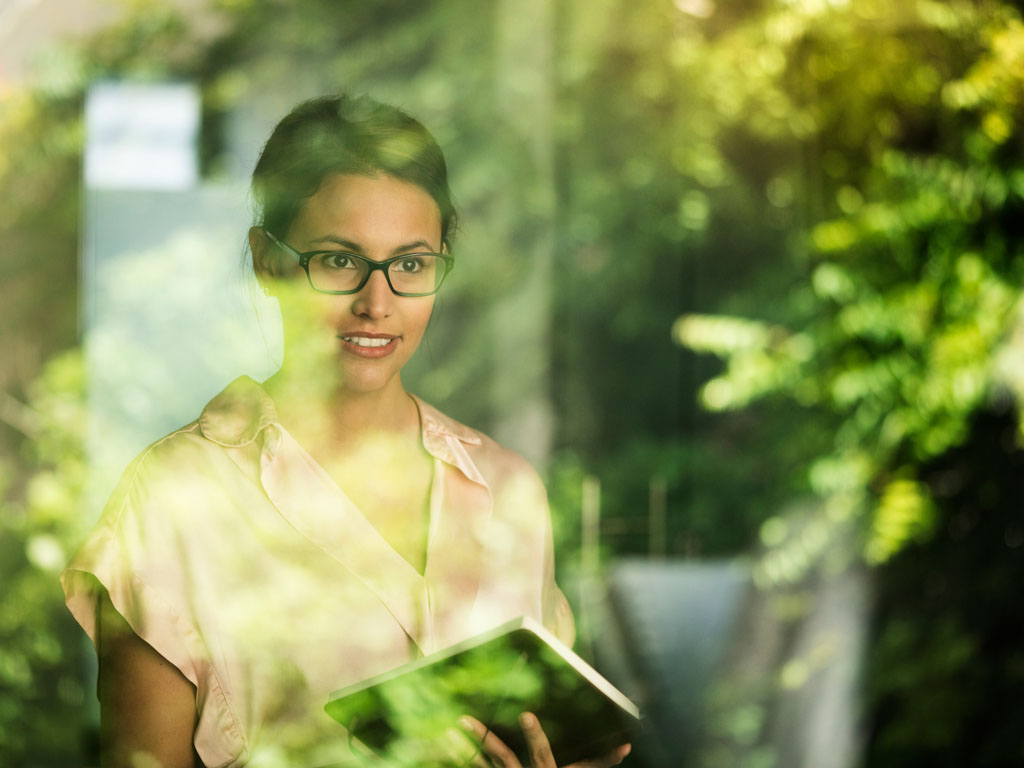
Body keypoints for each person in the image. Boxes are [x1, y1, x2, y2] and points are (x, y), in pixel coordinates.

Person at [61, 95, 631, 768]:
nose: (377, 302)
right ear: (269, 261)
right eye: (338, 261)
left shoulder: (508, 490)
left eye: (411, 264)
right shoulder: (173, 499)